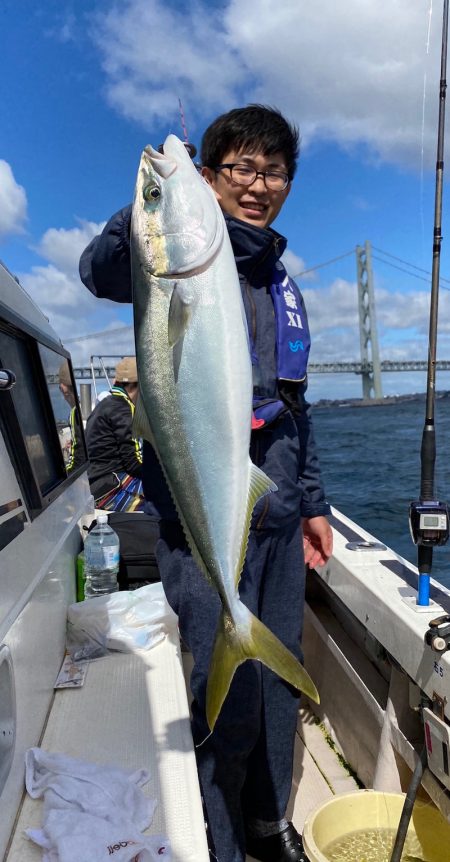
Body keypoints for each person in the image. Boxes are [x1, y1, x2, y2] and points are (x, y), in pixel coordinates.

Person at [79, 104, 333, 862]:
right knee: (213, 695)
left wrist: (314, 502)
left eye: (274, 170)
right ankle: (217, 842)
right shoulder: (168, 267)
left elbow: (294, 407)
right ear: (213, 175)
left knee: (277, 684)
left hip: (278, 509)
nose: (259, 184)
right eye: (241, 168)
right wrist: (153, 199)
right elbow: (97, 270)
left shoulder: (284, 287)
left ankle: (267, 824)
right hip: (197, 524)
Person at [85, 356, 146, 512]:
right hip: (112, 488)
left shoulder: (106, 405)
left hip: (97, 486)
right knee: (168, 502)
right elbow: (133, 463)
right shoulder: (123, 408)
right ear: (139, 386)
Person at [58, 360, 85, 473]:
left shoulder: (75, 412)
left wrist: (62, 473)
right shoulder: (85, 406)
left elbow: (79, 460)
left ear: (63, 388)